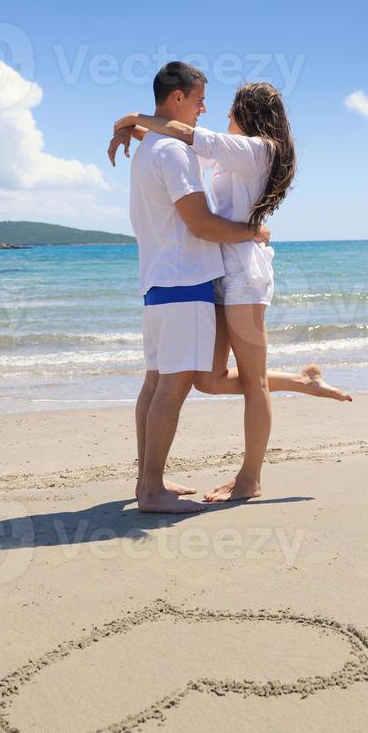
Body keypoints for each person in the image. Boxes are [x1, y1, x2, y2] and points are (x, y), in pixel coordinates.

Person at [109, 79, 352, 504]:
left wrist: (133, 118)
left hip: (244, 275)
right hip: (217, 271)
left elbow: (184, 134)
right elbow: (179, 150)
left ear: (249, 113)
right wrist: (141, 134)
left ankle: (249, 479)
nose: (222, 117)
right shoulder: (232, 155)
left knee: (253, 380)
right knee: (209, 379)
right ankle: (302, 381)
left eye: (231, 111)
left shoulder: (258, 148)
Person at [116, 62, 271, 514]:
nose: (205, 107)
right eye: (200, 98)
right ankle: (151, 493)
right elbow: (201, 224)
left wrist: (128, 124)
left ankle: (148, 480)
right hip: (185, 283)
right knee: (173, 388)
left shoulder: (151, 150)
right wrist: (252, 232)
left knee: (154, 383)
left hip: (156, 283)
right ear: (178, 98)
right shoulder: (173, 152)